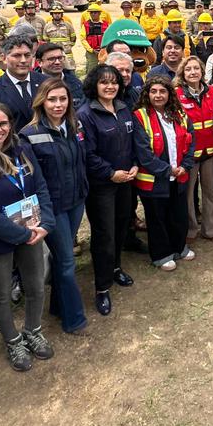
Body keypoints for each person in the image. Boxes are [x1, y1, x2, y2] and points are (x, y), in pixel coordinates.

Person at [0, 102, 56, 370]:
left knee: (36, 284)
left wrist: (46, 223)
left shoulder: (23, 151)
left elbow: (41, 188)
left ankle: (32, 330)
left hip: (33, 232)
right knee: (1, 293)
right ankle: (13, 340)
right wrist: (21, 233)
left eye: (3, 123)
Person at [21, 78, 89, 333]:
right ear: (42, 102)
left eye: (63, 99)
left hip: (76, 201)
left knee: (63, 259)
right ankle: (74, 319)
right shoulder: (29, 135)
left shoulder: (75, 126)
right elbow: (34, 180)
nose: (58, 104)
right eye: (52, 99)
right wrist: (45, 213)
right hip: (53, 208)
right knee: (67, 261)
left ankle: (58, 307)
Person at [79, 64, 141, 315]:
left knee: (120, 226)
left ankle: (115, 268)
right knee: (104, 234)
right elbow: (88, 154)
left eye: (114, 82)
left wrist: (136, 164)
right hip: (102, 186)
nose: (110, 86)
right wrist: (109, 172)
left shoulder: (124, 109)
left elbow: (134, 141)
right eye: (104, 82)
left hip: (125, 180)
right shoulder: (85, 114)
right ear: (94, 85)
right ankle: (102, 287)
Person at [132, 74, 195, 269]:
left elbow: (190, 141)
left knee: (178, 214)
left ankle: (179, 247)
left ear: (170, 94)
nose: (158, 95)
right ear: (147, 94)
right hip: (154, 179)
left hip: (179, 175)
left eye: (162, 91)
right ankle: (161, 254)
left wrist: (185, 165)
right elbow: (143, 153)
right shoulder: (140, 116)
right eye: (153, 91)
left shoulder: (180, 114)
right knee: (157, 217)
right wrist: (168, 170)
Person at [176, 55, 213, 243]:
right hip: (188, 155)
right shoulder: (176, 94)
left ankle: (211, 229)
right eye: (188, 69)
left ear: (202, 71)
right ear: (183, 73)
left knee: (211, 192)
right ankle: (190, 230)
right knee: (188, 194)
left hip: (210, 151)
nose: (193, 72)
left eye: (196, 68)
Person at [0, 35, 45, 131]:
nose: (23, 60)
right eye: (17, 55)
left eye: (27, 55)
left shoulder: (46, 82)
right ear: (4, 58)